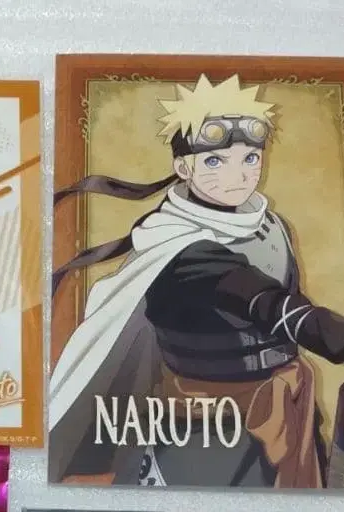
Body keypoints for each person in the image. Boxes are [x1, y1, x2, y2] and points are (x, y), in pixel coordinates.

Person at [48, 73, 344, 488]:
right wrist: (327, 332)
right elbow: (259, 298)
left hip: (283, 405)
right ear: (183, 166)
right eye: (215, 162)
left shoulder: (271, 226)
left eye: (250, 158)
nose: (237, 176)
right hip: (204, 422)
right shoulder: (178, 245)